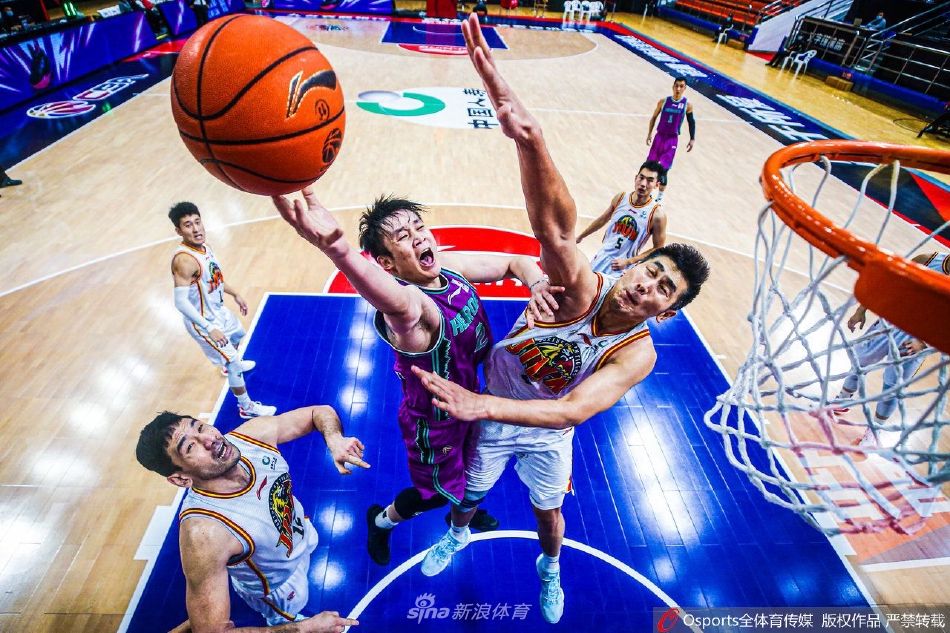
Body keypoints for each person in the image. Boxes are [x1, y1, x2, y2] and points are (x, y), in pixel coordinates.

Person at [411, 14, 710, 624]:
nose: (646, 286)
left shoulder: (638, 353)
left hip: (543, 428)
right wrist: (531, 139)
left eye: (664, 290)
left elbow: (572, 412)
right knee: (470, 493)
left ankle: (550, 569)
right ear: (634, 264)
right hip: (497, 404)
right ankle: (459, 534)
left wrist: (481, 406)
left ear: (669, 310)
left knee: (549, 514)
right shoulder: (582, 287)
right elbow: (555, 229)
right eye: (650, 271)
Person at [272, 189, 561, 568]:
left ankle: (466, 507)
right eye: (403, 237)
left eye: (419, 227)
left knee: (471, 474)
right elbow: (397, 304)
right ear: (386, 263)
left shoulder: (447, 268)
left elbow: (514, 262)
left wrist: (537, 283)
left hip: (472, 400)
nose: (420, 237)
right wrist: (339, 251)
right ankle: (381, 521)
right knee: (435, 493)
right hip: (434, 424)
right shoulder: (413, 309)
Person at [135, 405, 367, 632]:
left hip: (298, 532)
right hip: (277, 585)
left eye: (200, 427)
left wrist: (335, 439)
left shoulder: (251, 437)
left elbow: (319, 412)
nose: (209, 439)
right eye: (190, 446)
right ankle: (281, 619)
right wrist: (306, 628)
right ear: (181, 479)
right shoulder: (204, 534)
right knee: (288, 613)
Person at [169, 202, 276, 419]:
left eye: (197, 222)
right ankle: (246, 407)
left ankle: (229, 365)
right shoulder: (184, 261)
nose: (196, 229)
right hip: (202, 322)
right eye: (188, 225)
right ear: (178, 231)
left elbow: (215, 279)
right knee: (233, 361)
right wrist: (209, 328)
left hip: (218, 311)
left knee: (238, 336)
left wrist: (235, 293)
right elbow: (180, 303)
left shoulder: (205, 248)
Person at [834, 251, 948, 447]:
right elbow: (889, 283)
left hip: (917, 338)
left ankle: (874, 430)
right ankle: (842, 401)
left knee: (892, 386)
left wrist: (924, 344)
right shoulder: (927, 260)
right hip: (890, 322)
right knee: (859, 362)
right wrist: (861, 309)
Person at [575, 160, 667, 275]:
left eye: (649, 180)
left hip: (623, 268)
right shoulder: (621, 198)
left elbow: (658, 248)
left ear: (657, 185)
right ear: (636, 178)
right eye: (641, 178)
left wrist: (629, 261)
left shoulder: (657, 215)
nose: (643, 184)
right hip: (602, 256)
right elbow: (603, 219)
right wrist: (580, 237)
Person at [645, 76, 695, 203]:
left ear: (685, 88)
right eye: (676, 86)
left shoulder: (687, 105)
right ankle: (647, 193)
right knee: (649, 167)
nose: (678, 89)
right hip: (659, 137)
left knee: (663, 171)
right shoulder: (663, 101)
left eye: (681, 86)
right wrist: (649, 133)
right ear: (673, 87)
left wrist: (692, 138)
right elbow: (654, 117)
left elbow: (691, 122)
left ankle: (659, 199)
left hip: (672, 140)